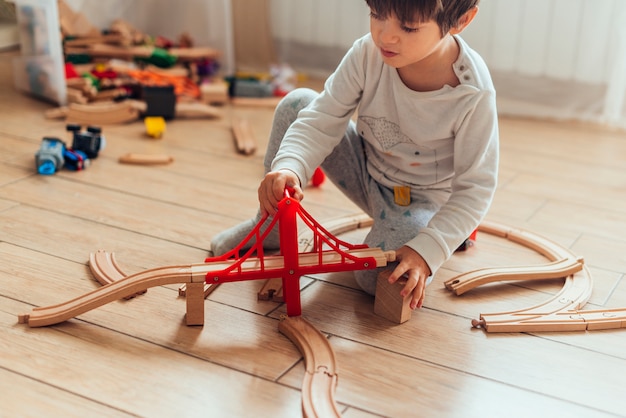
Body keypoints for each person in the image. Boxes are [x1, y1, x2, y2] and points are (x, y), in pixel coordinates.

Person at [211, 0, 499, 312]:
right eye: (377, 15)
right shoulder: (367, 53)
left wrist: (428, 250)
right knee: (298, 104)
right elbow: (321, 119)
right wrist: (290, 167)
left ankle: (432, 237)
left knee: (375, 279)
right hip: (366, 172)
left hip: (421, 202)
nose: (385, 36)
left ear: (461, 21)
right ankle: (271, 229)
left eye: (408, 27)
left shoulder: (473, 94)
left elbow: (475, 189)